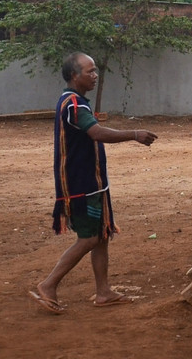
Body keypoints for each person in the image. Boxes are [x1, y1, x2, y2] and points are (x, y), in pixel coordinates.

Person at [29, 52, 158, 314]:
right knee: (89, 239)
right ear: (74, 76)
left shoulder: (75, 102)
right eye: (90, 71)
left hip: (92, 183)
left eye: (95, 70)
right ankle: (48, 285)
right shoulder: (74, 105)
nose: (95, 76)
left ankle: (103, 292)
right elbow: (96, 133)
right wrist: (134, 134)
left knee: (101, 236)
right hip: (81, 185)